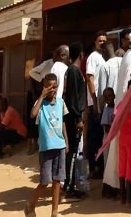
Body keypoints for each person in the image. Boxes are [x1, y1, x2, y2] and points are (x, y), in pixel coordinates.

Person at [103, 28, 131, 197]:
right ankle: (126, 192)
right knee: (129, 155)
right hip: (128, 113)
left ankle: (118, 189)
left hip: (122, 112)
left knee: (120, 154)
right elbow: (129, 87)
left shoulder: (127, 56)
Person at [25, 73, 70, 217]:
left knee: (57, 180)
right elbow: (33, 114)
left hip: (60, 145)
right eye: (49, 87)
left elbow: (62, 123)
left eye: (55, 87)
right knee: (45, 181)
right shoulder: (41, 104)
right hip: (46, 147)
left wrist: (66, 141)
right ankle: (30, 205)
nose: (52, 90)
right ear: (44, 87)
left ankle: (54, 212)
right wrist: (41, 96)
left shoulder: (60, 102)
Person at [62, 42, 86, 198]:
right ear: (81, 55)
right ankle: (68, 187)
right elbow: (73, 98)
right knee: (73, 151)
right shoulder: (74, 71)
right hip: (73, 117)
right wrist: (78, 118)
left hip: (72, 116)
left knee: (73, 150)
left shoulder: (71, 71)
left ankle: (69, 184)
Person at [85, 31, 107, 177]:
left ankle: (98, 166)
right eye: (100, 41)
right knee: (94, 137)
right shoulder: (93, 57)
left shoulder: (103, 57)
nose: (103, 43)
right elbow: (90, 79)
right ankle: (93, 168)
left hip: (101, 102)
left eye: (105, 41)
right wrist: (95, 103)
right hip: (96, 103)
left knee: (99, 136)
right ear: (95, 42)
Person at [97, 42, 121, 109]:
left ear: (103, 51)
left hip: (110, 107)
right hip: (123, 105)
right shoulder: (123, 61)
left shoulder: (105, 66)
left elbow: (102, 92)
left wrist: (101, 110)